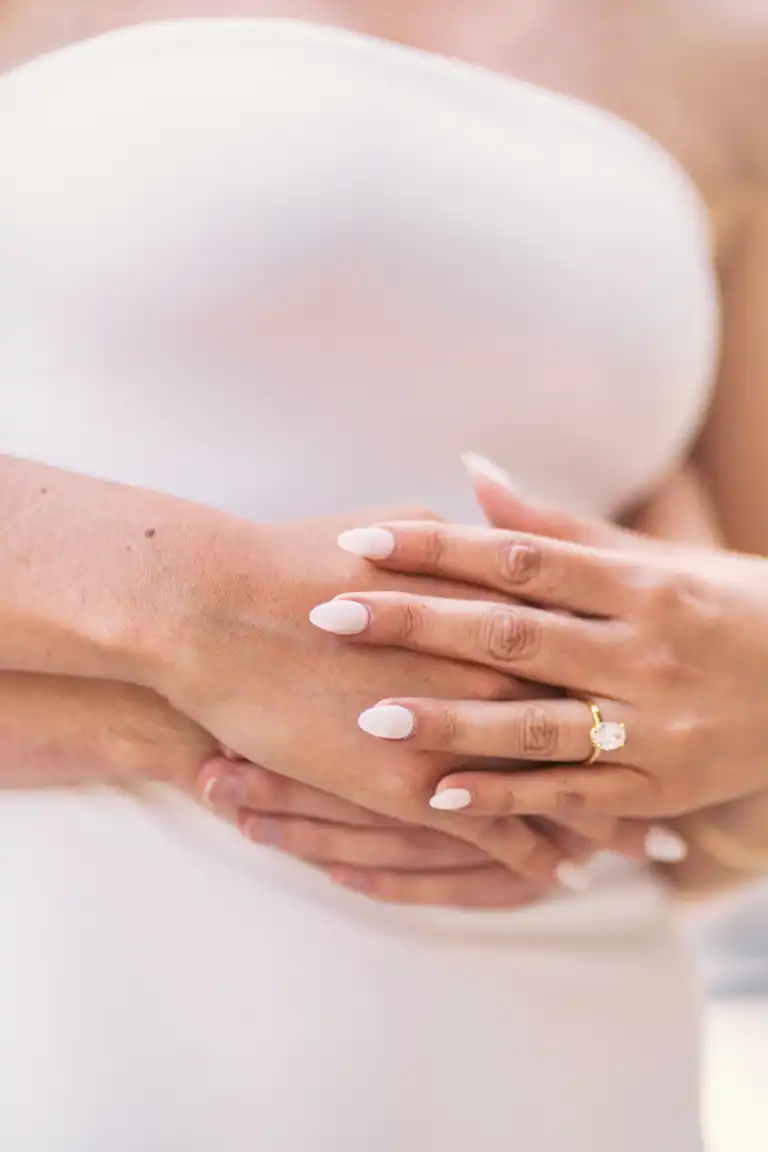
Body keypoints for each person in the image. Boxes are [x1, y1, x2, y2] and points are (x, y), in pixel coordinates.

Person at [0, 7, 765, 1151]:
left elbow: (712, 783)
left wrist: (737, 697)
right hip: (76, 1012)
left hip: (564, 1056)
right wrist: (198, 618)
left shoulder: (729, 55)